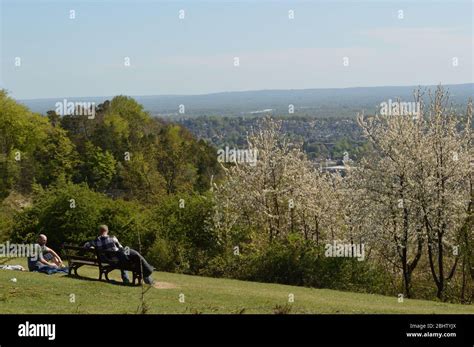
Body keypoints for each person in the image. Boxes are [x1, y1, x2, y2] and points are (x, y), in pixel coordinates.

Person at [84, 225, 154, 285]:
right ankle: (147, 280)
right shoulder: (112, 238)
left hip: (108, 261)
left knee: (124, 258)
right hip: (118, 261)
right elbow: (121, 248)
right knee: (130, 257)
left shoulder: (96, 241)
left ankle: (126, 280)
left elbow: (86, 245)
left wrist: (92, 247)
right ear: (107, 231)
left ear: (99, 231)